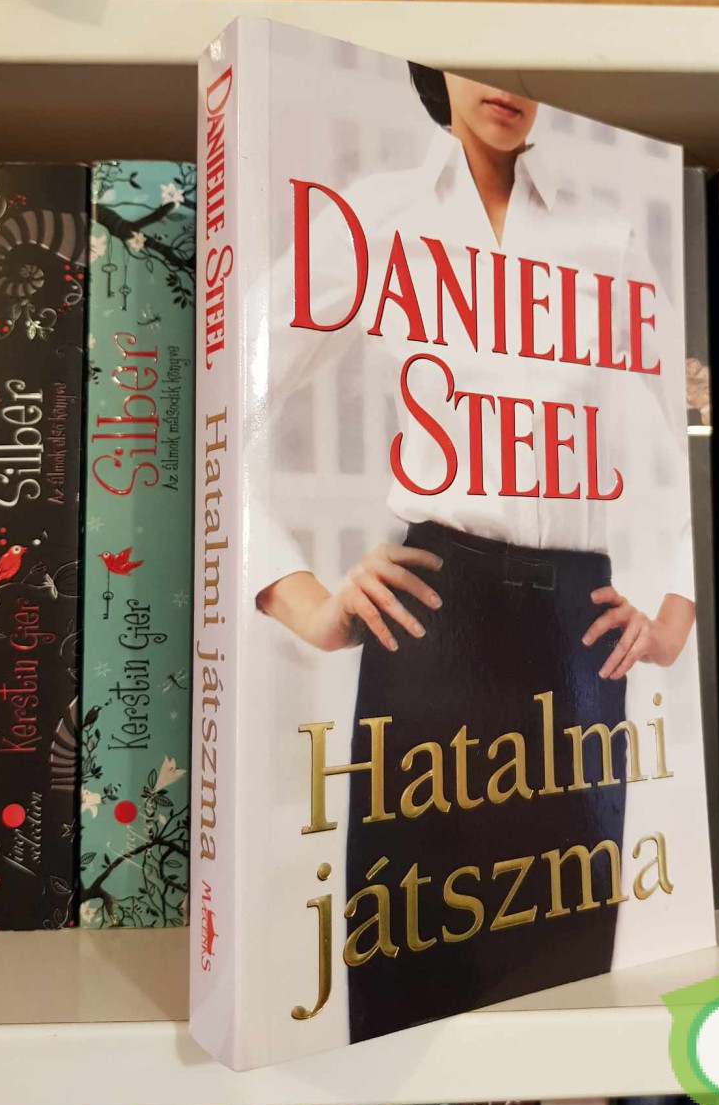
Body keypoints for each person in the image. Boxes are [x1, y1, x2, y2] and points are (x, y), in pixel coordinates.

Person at [255, 64, 696, 1041]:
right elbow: (225, 395)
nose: (505, 83)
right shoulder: (377, 215)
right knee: (409, 971)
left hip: (580, 628)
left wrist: (674, 610)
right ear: (433, 68)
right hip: (432, 616)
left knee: (568, 971)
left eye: (526, 63)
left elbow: (691, 425)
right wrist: (300, 598)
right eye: (475, 56)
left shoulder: (602, 233)